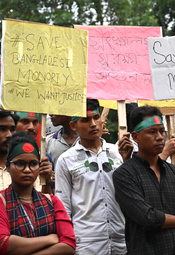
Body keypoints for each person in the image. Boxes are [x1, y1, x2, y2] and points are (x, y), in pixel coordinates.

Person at [112, 106, 175, 254]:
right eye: (152, 132)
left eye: (162, 131)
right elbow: (148, 218)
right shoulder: (125, 174)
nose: (160, 137)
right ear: (135, 137)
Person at [55, 99, 133, 255]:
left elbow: (131, 195)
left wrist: (126, 161)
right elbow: (64, 207)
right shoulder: (65, 160)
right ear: (73, 126)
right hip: (86, 243)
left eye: (96, 117)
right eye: (85, 120)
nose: (93, 124)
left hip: (122, 240)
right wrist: (69, 242)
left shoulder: (118, 153)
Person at [0, 131, 76, 254]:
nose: (27, 170)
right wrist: (50, 239)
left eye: (33, 164)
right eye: (20, 164)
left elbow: (69, 244)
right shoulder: (2, 201)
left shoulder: (52, 201)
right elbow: (4, 244)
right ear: (8, 166)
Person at [15, 112, 54, 194]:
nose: (31, 127)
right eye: (25, 121)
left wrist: (47, 182)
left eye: (35, 122)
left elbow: (49, 199)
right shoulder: (4, 155)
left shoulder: (44, 158)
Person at [0, 111, 17, 190]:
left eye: (12, 129)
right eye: (3, 129)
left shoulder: (22, 166)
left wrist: (47, 184)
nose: (9, 135)